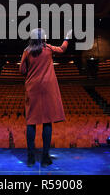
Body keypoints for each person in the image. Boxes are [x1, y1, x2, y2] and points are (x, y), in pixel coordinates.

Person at [19, 28, 72, 167]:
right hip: (48, 88)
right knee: (47, 122)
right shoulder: (48, 48)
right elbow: (62, 49)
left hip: (32, 88)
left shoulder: (27, 50)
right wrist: (67, 37)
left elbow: (22, 70)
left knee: (31, 122)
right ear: (42, 38)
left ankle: (30, 159)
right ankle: (44, 158)